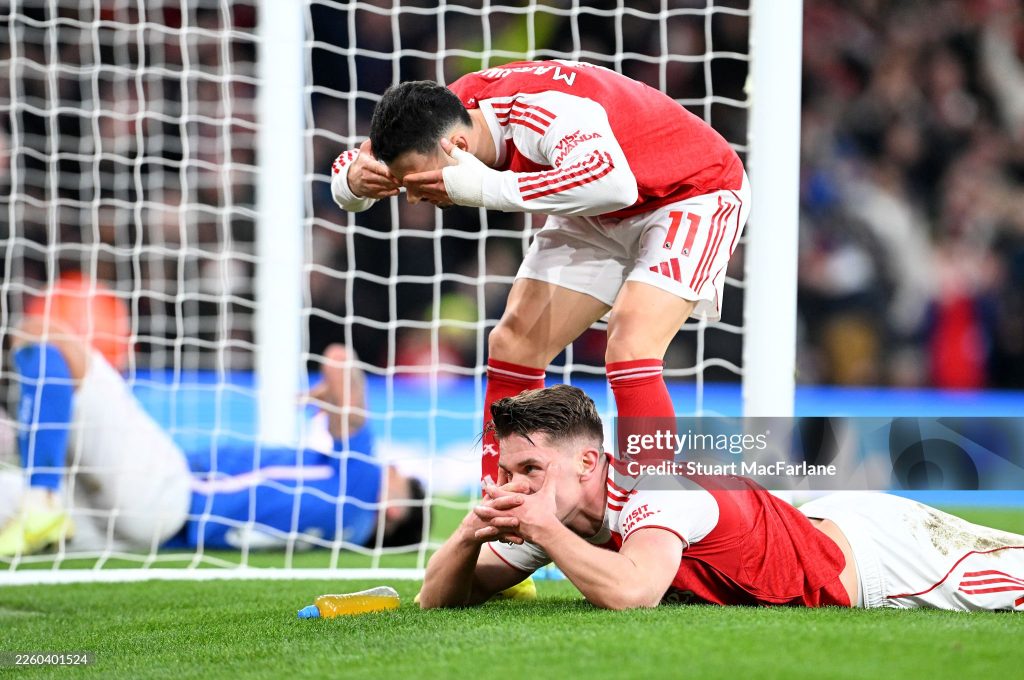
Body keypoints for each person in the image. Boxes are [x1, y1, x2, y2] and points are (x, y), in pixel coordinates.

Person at [330, 60, 750, 487]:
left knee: (630, 342)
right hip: (599, 209)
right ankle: (505, 505)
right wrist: (351, 182)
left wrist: (488, 188)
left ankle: (653, 507)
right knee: (513, 344)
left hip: (689, 192)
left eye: (420, 183)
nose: (415, 197)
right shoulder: (435, 116)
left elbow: (613, 182)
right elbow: (354, 160)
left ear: (459, 145)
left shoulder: (541, 113)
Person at [418, 385, 1024, 611]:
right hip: (815, 522)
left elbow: (632, 593)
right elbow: (437, 600)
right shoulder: (563, 513)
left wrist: (545, 532)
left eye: (530, 469)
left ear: (588, 462)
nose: (515, 487)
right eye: (508, 472)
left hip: (884, 561)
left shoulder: (655, 488)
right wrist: (471, 532)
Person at [0, 321, 426, 556]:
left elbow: (338, 360)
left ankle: (42, 496)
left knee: (42, 334)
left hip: (166, 493)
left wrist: (335, 399)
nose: (388, 466)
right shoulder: (338, 533)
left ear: (392, 510)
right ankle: (38, 493)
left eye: (397, 476)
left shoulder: (360, 493)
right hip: (145, 536)